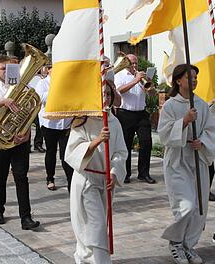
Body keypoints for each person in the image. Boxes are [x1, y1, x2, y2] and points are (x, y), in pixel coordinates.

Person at [158, 64, 215, 264]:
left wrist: (204, 142)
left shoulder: (201, 104)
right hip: (178, 161)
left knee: (199, 208)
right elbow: (164, 134)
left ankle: (188, 245)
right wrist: (184, 121)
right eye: (189, 77)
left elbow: (211, 130)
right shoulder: (171, 106)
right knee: (186, 205)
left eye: (195, 77)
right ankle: (175, 242)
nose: (194, 80)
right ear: (178, 80)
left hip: (198, 159)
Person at [65, 84, 128, 264]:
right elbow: (71, 152)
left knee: (95, 227)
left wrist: (114, 173)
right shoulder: (83, 120)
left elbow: (121, 152)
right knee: (96, 226)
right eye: (102, 94)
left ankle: (85, 259)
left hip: (105, 180)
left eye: (109, 94)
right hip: (86, 180)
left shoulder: (114, 121)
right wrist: (96, 141)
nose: (106, 98)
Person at [0, 54, 40, 230]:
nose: (6, 72)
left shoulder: (23, 88)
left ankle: (26, 217)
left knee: (22, 177)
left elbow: (30, 113)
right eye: (3, 68)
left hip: (19, 140)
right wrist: (3, 101)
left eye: (9, 68)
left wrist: (26, 133)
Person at [115, 54, 156, 184]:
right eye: (131, 63)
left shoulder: (141, 76)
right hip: (125, 113)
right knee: (126, 144)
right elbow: (119, 90)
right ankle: (125, 173)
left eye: (136, 63)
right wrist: (135, 81)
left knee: (146, 142)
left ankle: (143, 173)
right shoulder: (120, 75)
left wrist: (150, 88)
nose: (134, 66)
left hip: (141, 113)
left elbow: (151, 94)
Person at [36, 64, 73, 191]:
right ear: (49, 70)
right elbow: (40, 99)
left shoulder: (67, 82)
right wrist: (56, 87)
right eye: (54, 69)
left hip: (66, 122)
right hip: (49, 123)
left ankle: (71, 181)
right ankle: (50, 177)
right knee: (51, 151)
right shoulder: (43, 83)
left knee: (66, 154)